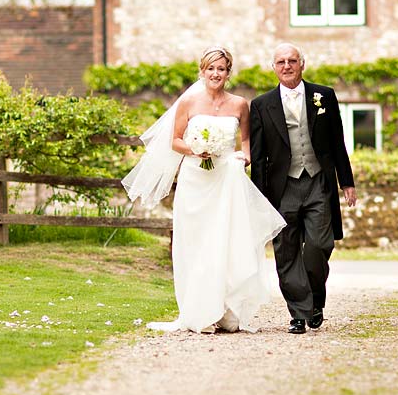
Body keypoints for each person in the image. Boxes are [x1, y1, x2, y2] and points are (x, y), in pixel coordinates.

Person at [122, 46, 286, 333]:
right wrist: (196, 148)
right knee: (195, 242)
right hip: (195, 181)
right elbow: (175, 141)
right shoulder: (189, 102)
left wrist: (243, 159)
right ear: (202, 71)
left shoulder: (239, 105)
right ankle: (198, 311)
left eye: (221, 69)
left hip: (226, 179)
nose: (216, 74)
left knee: (225, 239)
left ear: (228, 73)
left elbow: (246, 143)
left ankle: (223, 309)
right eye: (211, 68)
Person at [249, 43, 357, 334]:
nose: (287, 66)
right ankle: (298, 313)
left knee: (320, 245)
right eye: (281, 61)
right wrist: (259, 199)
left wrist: (346, 182)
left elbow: (337, 143)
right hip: (281, 188)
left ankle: (315, 300)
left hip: (318, 183)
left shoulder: (325, 96)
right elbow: (258, 158)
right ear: (274, 67)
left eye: (292, 60)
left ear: (302, 64)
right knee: (286, 252)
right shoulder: (261, 105)